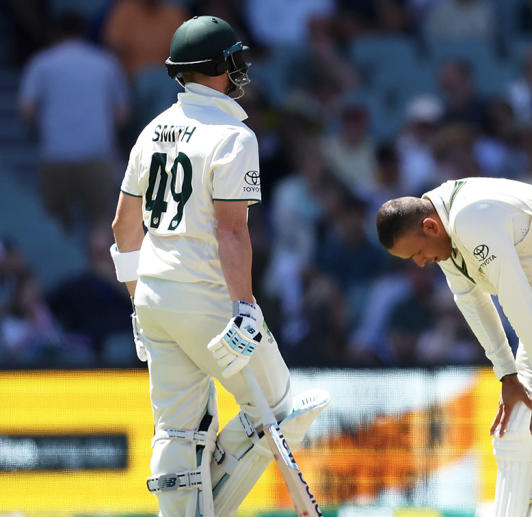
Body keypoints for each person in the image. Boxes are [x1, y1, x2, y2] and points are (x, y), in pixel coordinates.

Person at [109, 16, 325, 516]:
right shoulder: (233, 136)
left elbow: (123, 227)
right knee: (282, 408)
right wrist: (244, 306)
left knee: (178, 431)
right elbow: (231, 231)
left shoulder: (152, 130)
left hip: (154, 299)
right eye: (234, 61)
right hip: (208, 297)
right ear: (220, 67)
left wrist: (138, 302)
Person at [376, 177, 532, 516]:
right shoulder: (446, 231)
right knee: (518, 435)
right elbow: (472, 301)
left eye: (417, 253)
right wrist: (507, 375)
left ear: (430, 226)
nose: (421, 263)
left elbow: (514, 295)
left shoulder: (471, 217)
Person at [18, 11, 129, 232]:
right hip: (97, 154)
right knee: (103, 227)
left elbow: (26, 111)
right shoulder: (105, 62)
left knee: (55, 230)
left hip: (56, 154)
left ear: (55, 33)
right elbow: (122, 113)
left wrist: (40, 134)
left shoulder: (42, 62)